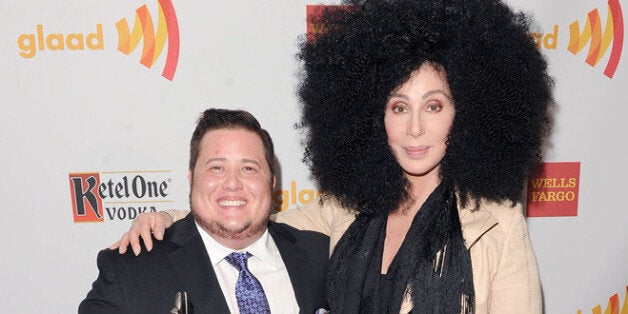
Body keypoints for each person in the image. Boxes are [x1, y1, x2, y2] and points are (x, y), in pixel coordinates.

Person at [112, 0, 554, 312]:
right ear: (372, 116)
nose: (415, 128)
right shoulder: (343, 209)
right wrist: (169, 218)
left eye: (433, 106)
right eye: (398, 107)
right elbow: (246, 220)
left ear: (466, 113)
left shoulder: (498, 223)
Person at [79, 109, 329, 314]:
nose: (232, 183)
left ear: (272, 182)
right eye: (217, 168)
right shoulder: (130, 270)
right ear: (191, 178)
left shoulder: (324, 256)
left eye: (249, 169)